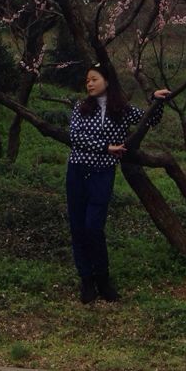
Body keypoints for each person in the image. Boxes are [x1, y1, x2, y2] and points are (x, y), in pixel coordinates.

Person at [66, 59, 171, 304]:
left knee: (94, 227)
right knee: (78, 228)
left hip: (103, 174)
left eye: (94, 79)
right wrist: (105, 147)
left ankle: (103, 278)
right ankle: (86, 280)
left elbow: (150, 120)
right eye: (87, 80)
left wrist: (156, 100)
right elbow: (75, 137)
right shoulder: (81, 107)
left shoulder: (121, 110)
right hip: (78, 171)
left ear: (107, 81)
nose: (89, 84)